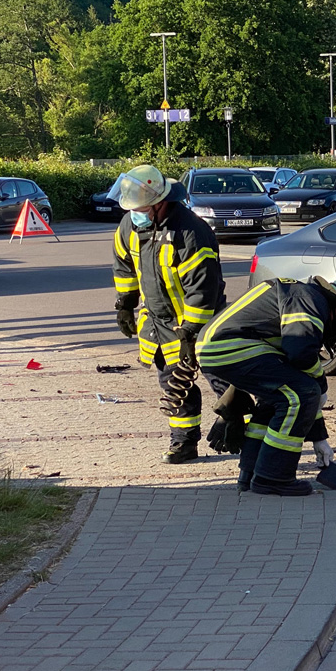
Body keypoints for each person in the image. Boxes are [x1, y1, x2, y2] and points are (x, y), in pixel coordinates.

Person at [196, 276, 336, 495]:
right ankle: (273, 477)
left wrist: (319, 438)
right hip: (230, 346)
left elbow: (300, 369)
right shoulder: (311, 301)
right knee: (300, 396)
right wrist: (321, 386)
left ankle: (250, 474)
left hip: (218, 348)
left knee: (277, 400)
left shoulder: (304, 296)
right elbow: (301, 353)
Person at [111, 165, 228, 464]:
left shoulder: (191, 232)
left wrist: (191, 331)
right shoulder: (129, 225)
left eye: (141, 209)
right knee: (174, 384)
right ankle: (184, 443)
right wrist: (125, 303)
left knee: (223, 381)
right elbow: (124, 266)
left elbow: (203, 289)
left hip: (202, 324)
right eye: (132, 209)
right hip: (159, 325)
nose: (136, 214)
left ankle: (246, 432)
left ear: (160, 202)